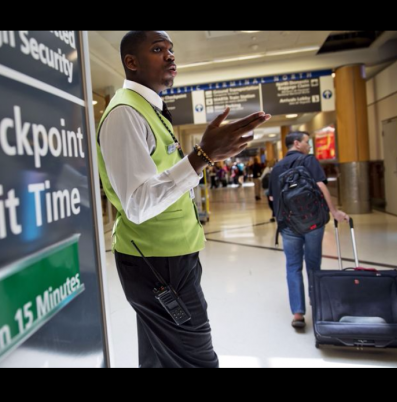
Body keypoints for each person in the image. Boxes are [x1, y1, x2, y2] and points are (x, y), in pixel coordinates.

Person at [97, 31, 271, 367]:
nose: (170, 56)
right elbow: (137, 203)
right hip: (156, 261)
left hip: (172, 254)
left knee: (159, 356)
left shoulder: (151, 110)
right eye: (158, 49)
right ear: (131, 62)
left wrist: (206, 155)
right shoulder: (124, 113)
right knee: (196, 358)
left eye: (171, 50)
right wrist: (202, 156)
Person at [269, 132, 348, 329]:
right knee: (314, 264)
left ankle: (297, 313)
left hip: (288, 226)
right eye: (306, 142)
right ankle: (318, 305)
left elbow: (272, 199)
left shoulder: (277, 167)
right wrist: (334, 212)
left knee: (293, 267)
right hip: (313, 223)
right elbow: (321, 186)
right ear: (296, 143)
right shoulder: (308, 160)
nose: (309, 146)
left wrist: (281, 220)